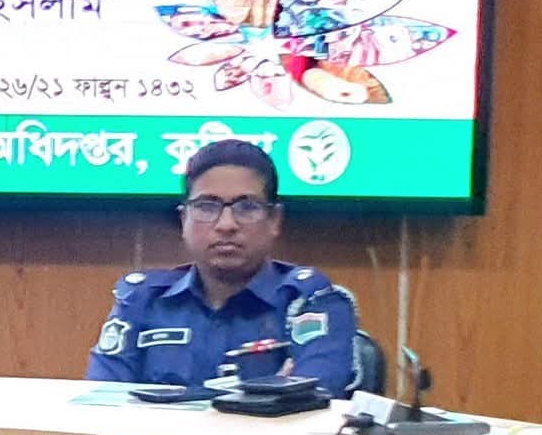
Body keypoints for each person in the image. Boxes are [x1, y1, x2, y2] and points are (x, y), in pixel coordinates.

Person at [86, 138, 359, 391]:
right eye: (207, 206)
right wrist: (266, 398)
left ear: (274, 220)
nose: (226, 225)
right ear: (184, 219)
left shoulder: (309, 301)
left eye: (247, 207)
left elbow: (314, 402)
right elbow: (101, 404)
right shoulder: (142, 301)